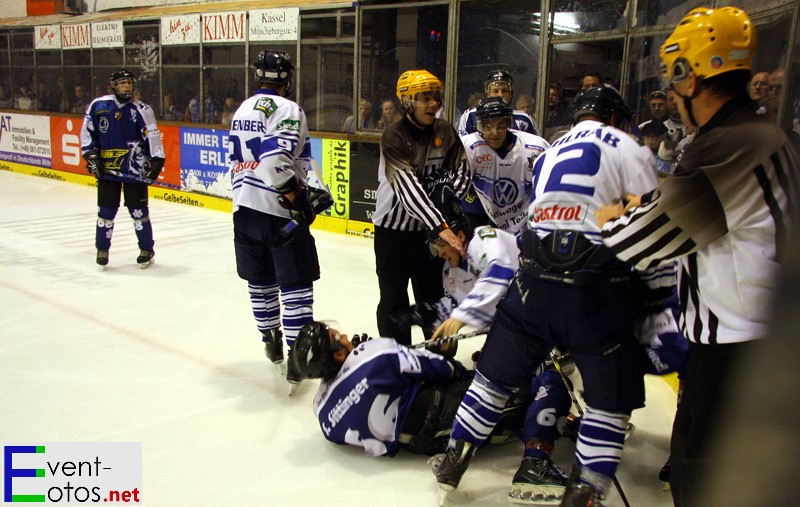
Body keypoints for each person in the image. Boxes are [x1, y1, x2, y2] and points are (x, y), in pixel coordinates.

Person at [594, 7, 799, 506]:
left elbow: (641, 242)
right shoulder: (761, 133)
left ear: (689, 77)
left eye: (674, 75)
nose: (670, 88)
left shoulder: (728, 146)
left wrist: (612, 216)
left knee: (702, 480)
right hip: (758, 345)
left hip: (738, 355)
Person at [433, 84, 658, 507]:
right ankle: (586, 488)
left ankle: (453, 459)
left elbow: (542, 212)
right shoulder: (631, 148)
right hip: (595, 288)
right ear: (612, 119)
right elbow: (643, 224)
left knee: (493, 379)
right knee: (608, 402)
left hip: (532, 279)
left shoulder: (551, 149)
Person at [289, 321, 568, 460]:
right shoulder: (374, 354)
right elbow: (442, 368)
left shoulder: (321, 412)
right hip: (449, 411)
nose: (346, 336)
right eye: (339, 338)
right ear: (337, 355)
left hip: (420, 443)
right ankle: (537, 456)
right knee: (547, 384)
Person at [227, 50, 330, 393]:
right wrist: (296, 199)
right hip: (278, 210)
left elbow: (298, 160)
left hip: (244, 208)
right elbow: (275, 160)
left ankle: (269, 337)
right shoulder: (287, 109)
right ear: (287, 77)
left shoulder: (242, 108)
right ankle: (297, 360)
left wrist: (317, 189)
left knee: (260, 280)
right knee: (296, 283)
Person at [371, 69, 469, 347]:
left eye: (435, 96)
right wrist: (440, 224)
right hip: (394, 234)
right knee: (393, 298)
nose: (433, 103)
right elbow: (406, 189)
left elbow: (462, 173)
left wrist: (446, 215)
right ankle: (399, 357)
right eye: (425, 97)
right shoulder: (394, 136)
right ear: (406, 101)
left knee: (434, 296)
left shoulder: (446, 131)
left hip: (432, 235)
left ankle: (439, 354)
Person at [80, 69, 166, 268]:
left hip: (134, 169)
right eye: (122, 82)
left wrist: (156, 162)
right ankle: (102, 248)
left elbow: (152, 137)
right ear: (114, 86)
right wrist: (92, 157)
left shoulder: (142, 109)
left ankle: (146, 249)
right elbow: (87, 135)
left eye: (129, 82)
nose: (126, 86)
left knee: (138, 212)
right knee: (106, 212)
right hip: (108, 171)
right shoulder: (98, 106)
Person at [459, 96, 549, 235]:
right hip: (487, 212)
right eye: (488, 126)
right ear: (479, 126)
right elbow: (456, 186)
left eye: (500, 126)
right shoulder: (469, 145)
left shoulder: (536, 147)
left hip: (527, 216)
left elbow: (547, 189)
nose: (495, 132)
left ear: (509, 123)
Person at [457, 70, 538, 136]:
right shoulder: (471, 117)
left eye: (504, 91)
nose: (500, 94)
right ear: (487, 94)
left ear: (511, 93)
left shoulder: (524, 119)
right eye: (495, 91)